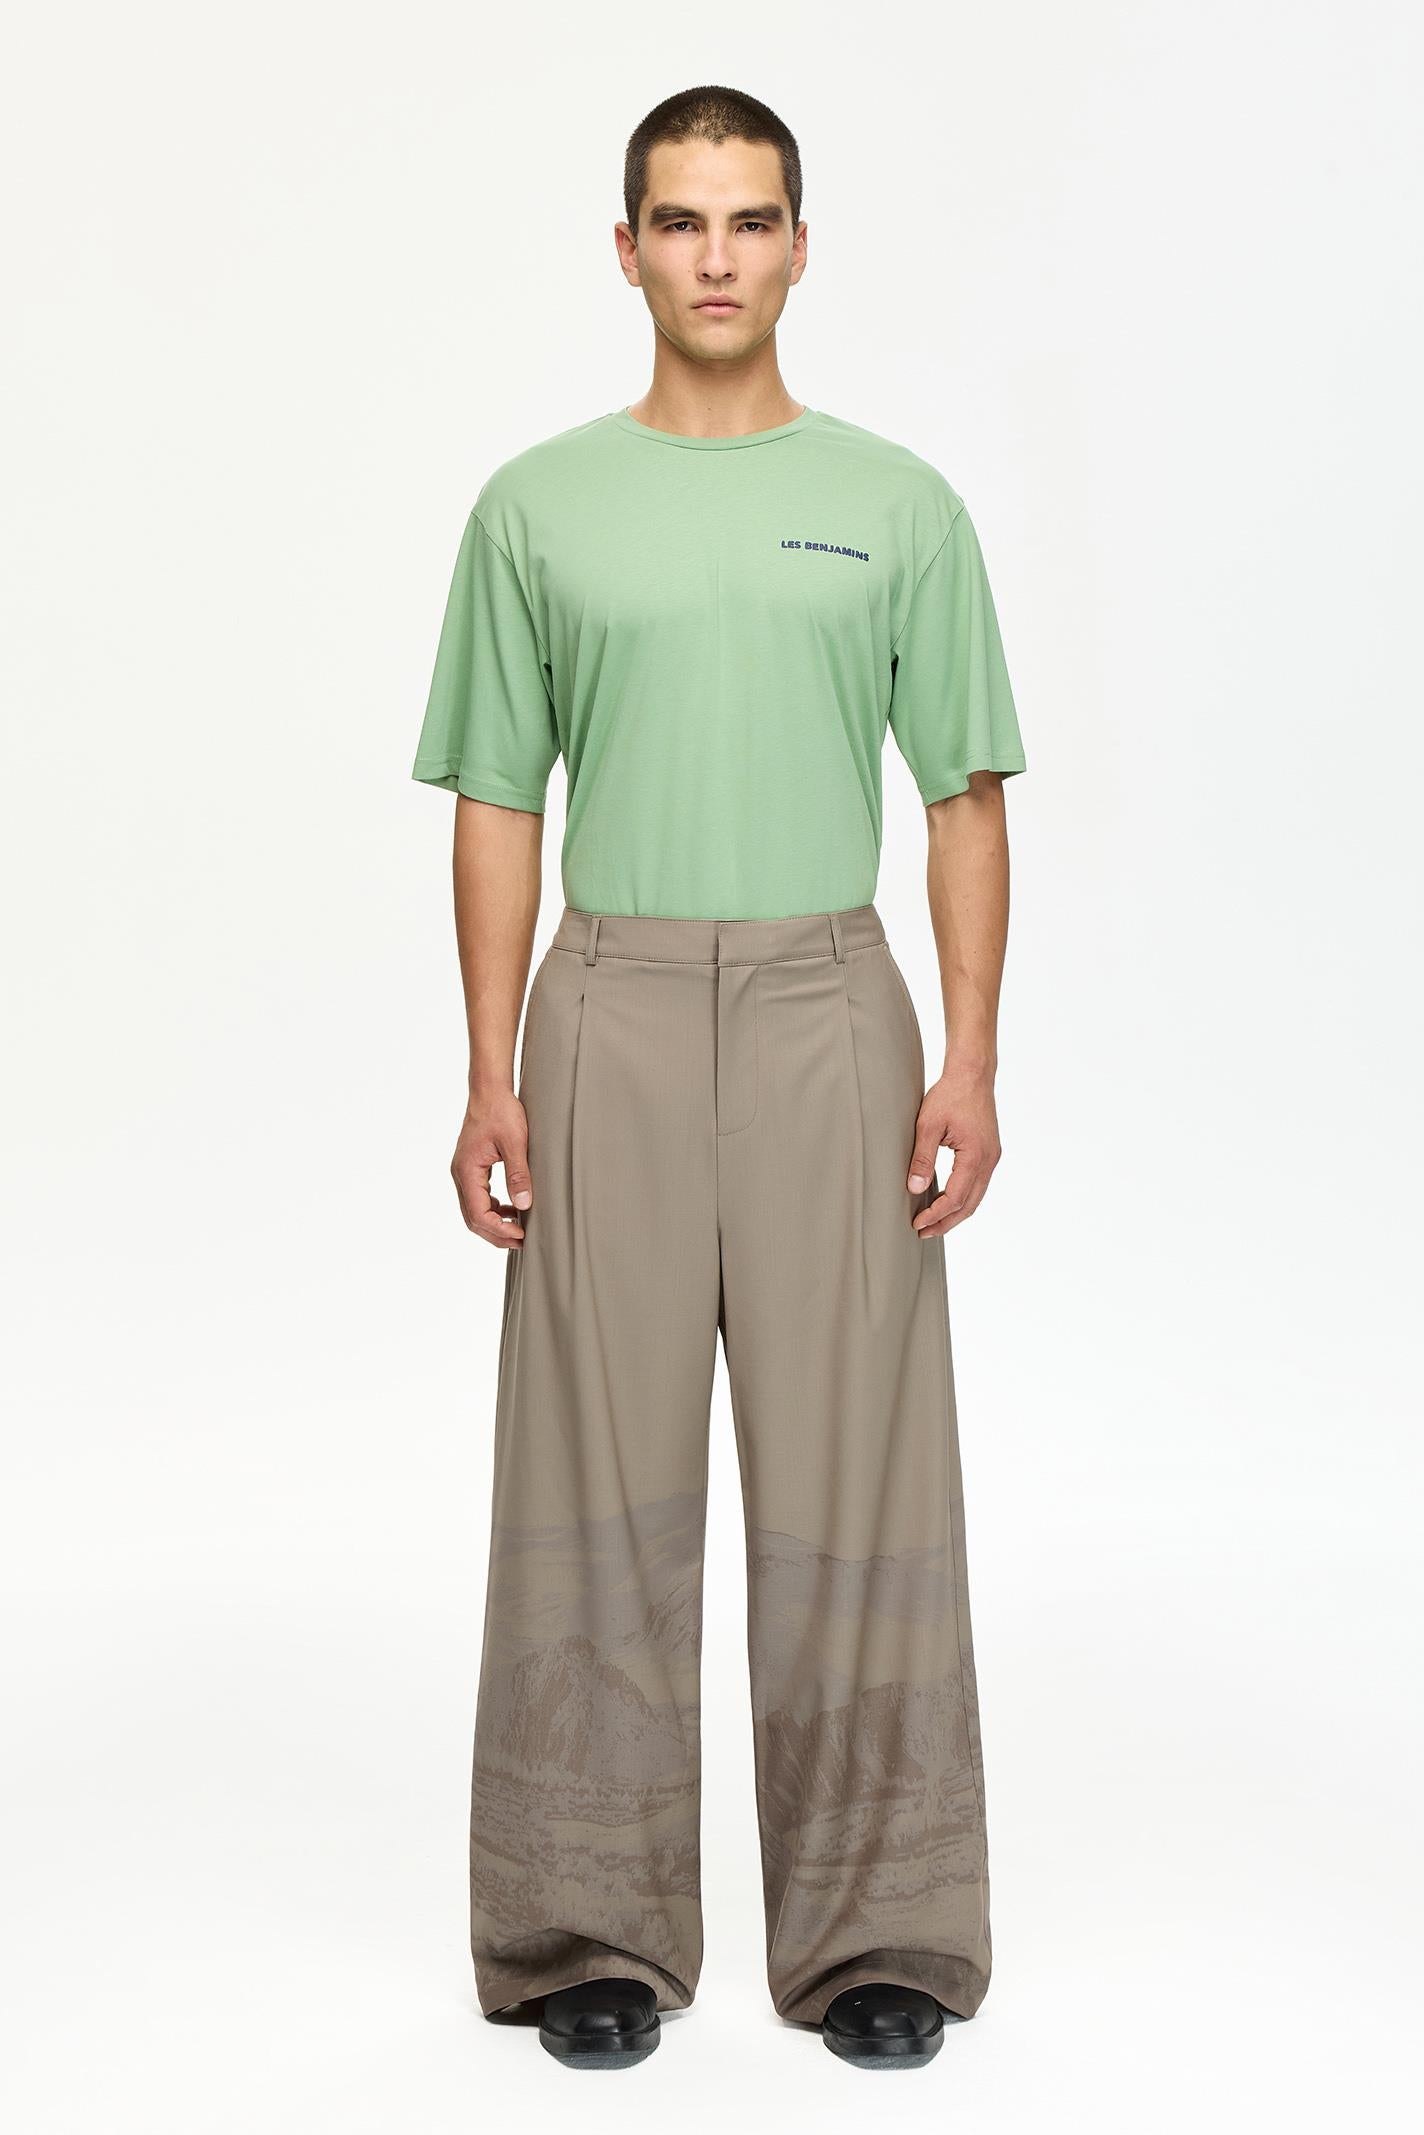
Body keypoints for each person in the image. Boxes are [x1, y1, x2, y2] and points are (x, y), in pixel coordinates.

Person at [410, 83, 1027, 2072]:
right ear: (626, 250)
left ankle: (881, 1936)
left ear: (799, 246)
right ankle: (582, 1929)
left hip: (828, 1004)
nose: (715, 255)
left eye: (749, 219)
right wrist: (488, 1068)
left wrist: (972, 1054)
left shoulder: (900, 504)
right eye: (679, 221)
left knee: (860, 1471)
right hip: (605, 1007)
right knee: (592, 1472)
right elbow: (497, 798)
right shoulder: (536, 508)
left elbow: (962, 795)